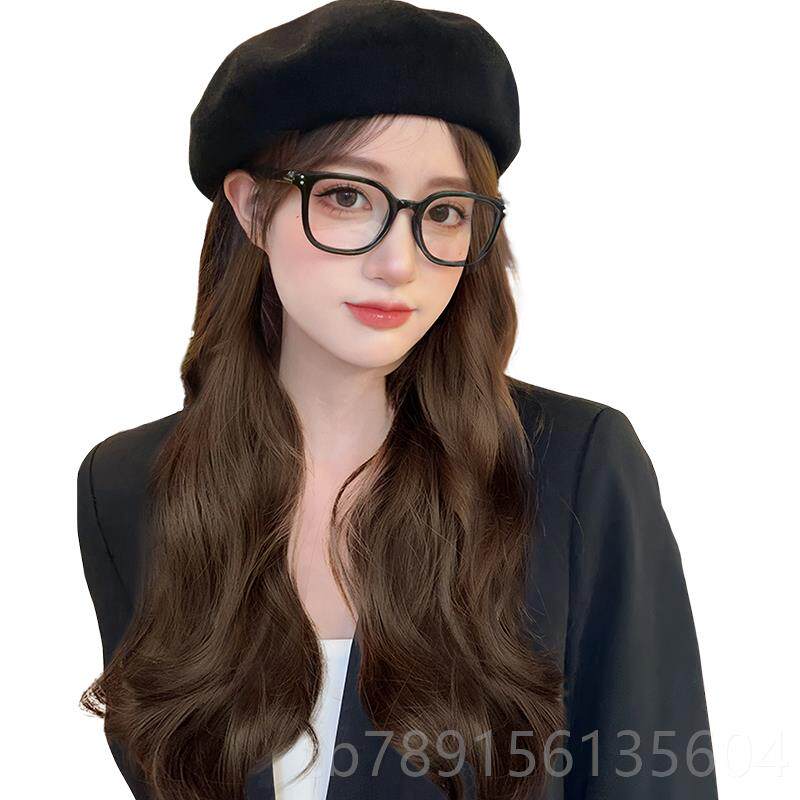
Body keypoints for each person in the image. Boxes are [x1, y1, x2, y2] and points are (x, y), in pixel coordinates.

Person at [76, 2, 719, 799]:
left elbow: (656, 777)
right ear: (251, 208)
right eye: (349, 197)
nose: (398, 263)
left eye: (443, 213)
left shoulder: (574, 468)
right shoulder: (127, 485)